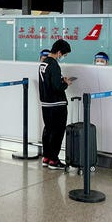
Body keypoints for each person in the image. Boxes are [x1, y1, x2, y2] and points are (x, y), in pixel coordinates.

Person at [38, 39, 73, 170]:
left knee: (48, 130)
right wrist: (66, 83)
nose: (63, 57)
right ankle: (54, 160)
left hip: (46, 103)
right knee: (57, 132)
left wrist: (60, 79)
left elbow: (48, 81)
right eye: (64, 55)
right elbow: (57, 87)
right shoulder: (54, 65)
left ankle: (46, 157)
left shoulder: (44, 63)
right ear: (59, 52)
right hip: (56, 104)